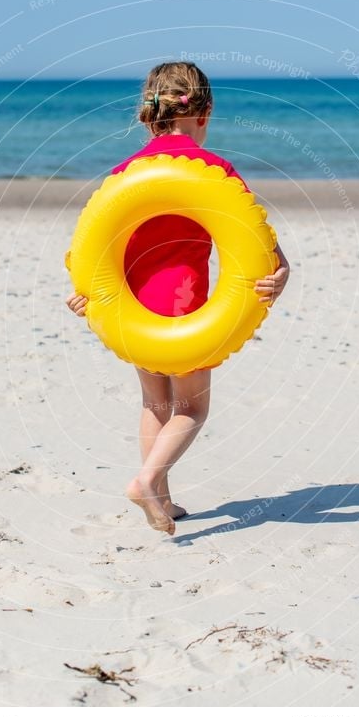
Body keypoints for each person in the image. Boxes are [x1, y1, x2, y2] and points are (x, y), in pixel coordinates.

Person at [66, 62, 290, 535]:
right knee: (191, 407)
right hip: (185, 304)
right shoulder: (214, 171)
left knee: (154, 403)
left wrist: (88, 295)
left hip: (132, 305)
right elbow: (255, 235)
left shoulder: (125, 173)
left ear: (148, 116)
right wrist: (282, 270)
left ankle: (162, 501)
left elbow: (93, 246)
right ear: (205, 114)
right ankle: (148, 481)